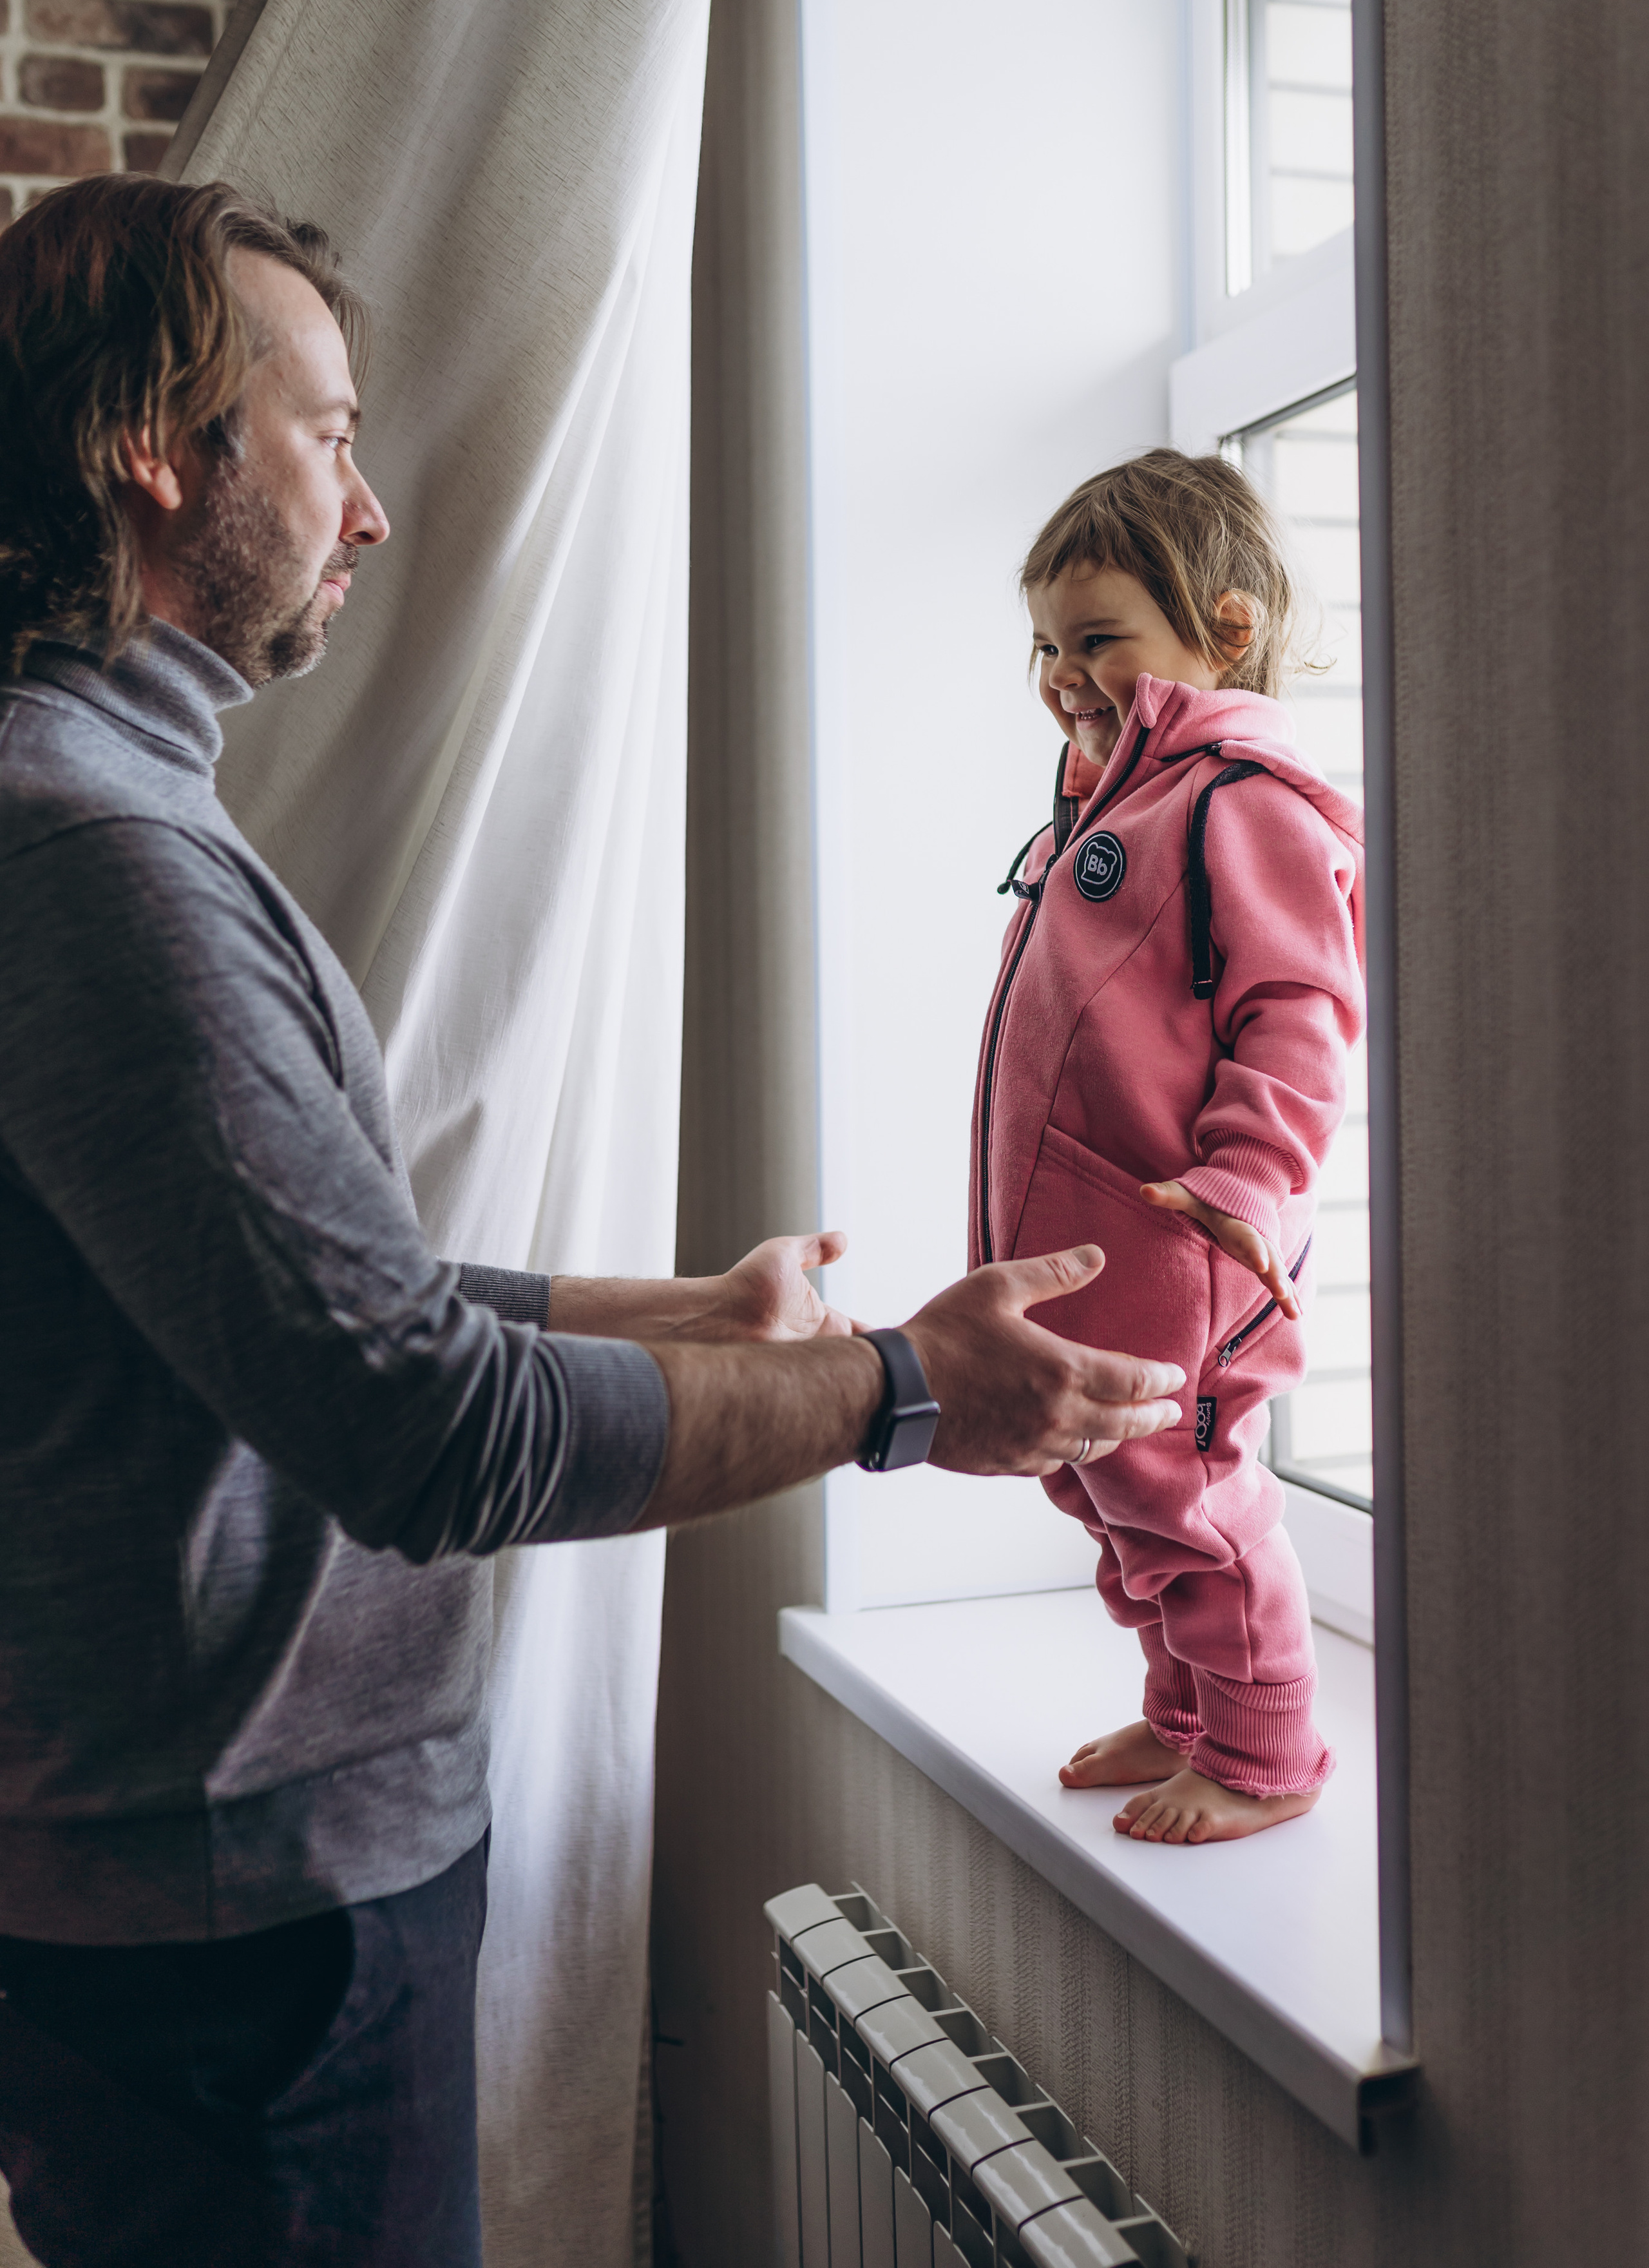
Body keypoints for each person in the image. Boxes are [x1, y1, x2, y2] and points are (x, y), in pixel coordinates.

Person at [0, 176, 1187, 2267]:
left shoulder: (105, 808)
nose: (364, 512)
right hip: (238, 1942)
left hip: (214, 1906)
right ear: (158, 452)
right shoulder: (98, 858)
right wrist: (902, 1395)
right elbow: (413, 1424)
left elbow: (273, 1293)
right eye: (330, 432)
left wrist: (702, 1315)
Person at [971, 450, 1364, 1847]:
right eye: (1044, 645)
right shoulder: (1114, 798)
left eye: (1096, 641)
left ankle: (1265, 1752)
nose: (1061, 673)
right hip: (1087, 1241)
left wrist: (1245, 1181)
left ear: (1225, 626)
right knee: (1097, 1474)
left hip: (1187, 1241)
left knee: (1180, 1487)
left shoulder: (1237, 800)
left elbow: (1300, 1013)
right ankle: (1190, 1708)